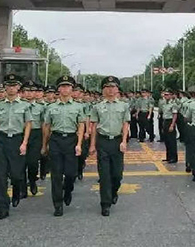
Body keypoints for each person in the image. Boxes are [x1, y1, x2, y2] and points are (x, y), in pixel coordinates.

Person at [0, 74, 32, 220]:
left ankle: (17, 190)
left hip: (17, 140)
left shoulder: (25, 105)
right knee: (0, 176)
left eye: (14, 86)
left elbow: (28, 125)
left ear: (18, 87)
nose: (11, 88)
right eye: (8, 85)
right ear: (5, 87)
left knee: (17, 175)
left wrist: (24, 143)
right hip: (1, 140)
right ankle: (3, 207)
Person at [43, 75, 86, 217]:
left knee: (71, 173)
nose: (65, 89)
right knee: (56, 174)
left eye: (68, 86)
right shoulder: (51, 107)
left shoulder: (78, 107)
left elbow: (81, 126)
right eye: (62, 86)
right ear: (59, 89)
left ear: (72, 89)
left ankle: (68, 190)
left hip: (71, 140)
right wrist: (45, 145)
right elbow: (47, 127)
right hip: (55, 140)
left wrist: (79, 144)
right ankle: (58, 204)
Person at [89, 76, 130, 217]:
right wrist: (92, 145)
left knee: (117, 174)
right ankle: (105, 203)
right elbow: (94, 127)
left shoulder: (124, 106)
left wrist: (124, 141)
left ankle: (114, 191)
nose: (110, 90)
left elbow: (125, 124)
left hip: (117, 141)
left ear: (117, 89)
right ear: (103, 90)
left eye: (113, 87)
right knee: (104, 174)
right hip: (103, 142)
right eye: (107, 87)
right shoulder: (98, 106)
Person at [24, 84, 46, 197]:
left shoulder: (41, 107)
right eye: (26, 90)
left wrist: (44, 142)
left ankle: (32, 181)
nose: (29, 93)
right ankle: (22, 185)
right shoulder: (19, 106)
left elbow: (44, 125)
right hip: (21, 134)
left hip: (35, 134)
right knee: (21, 162)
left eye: (32, 91)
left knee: (32, 162)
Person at [160, 89, 179, 163]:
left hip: (170, 121)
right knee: (167, 141)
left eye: (167, 95)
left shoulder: (173, 104)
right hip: (165, 121)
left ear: (171, 95)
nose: (165, 96)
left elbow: (175, 115)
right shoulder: (164, 103)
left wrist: (172, 125)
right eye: (165, 95)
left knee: (172, 141)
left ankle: (174, 158)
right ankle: (168, 157)